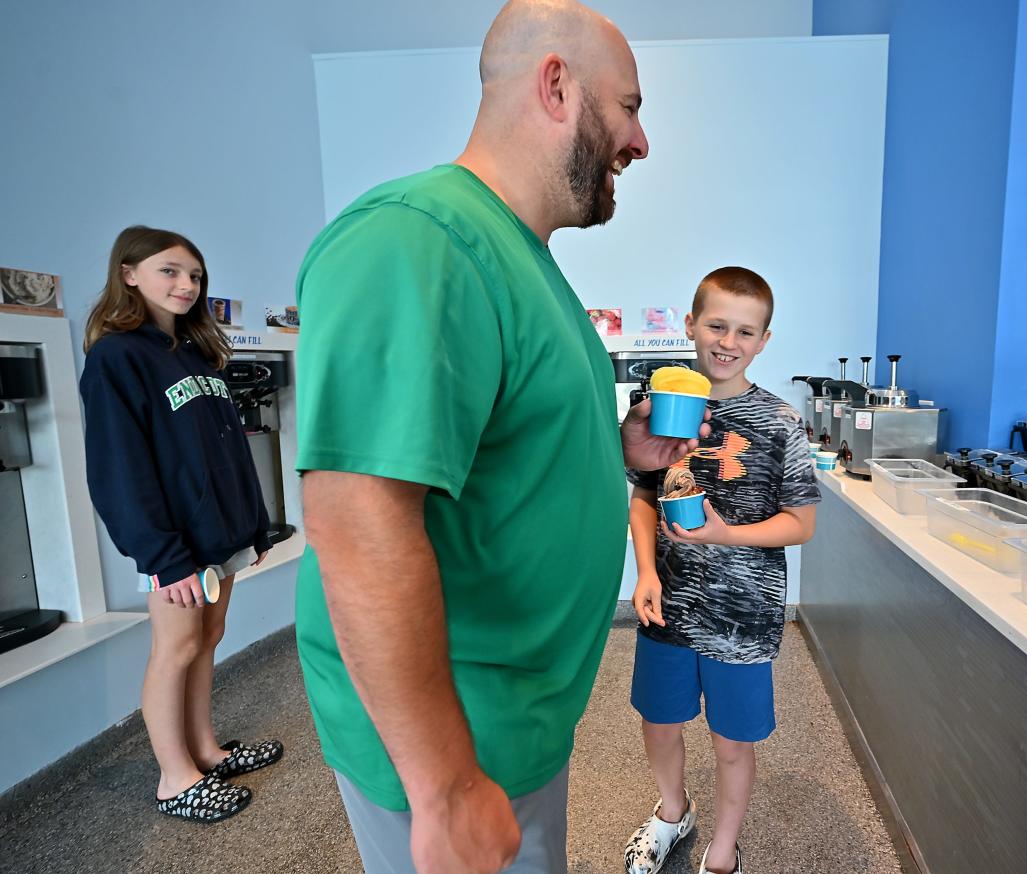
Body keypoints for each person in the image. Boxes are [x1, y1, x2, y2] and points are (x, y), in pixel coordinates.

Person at [293, 2, 705, 872]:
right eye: (629, 106)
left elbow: (503, 452)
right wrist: (444, 788)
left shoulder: (522, 259)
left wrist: (615, 457)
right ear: (557, 85)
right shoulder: (418, 239)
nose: (640, 142)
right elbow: (358, 526)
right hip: (455, 742)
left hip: (514, 724)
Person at [79, 226, 283, 822]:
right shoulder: (117, 357)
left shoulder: (196, 354)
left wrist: (253, 528)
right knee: (175, 649)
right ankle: (175, 778)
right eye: (169, 271)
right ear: (129, 274)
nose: (186, 285)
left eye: (194, 275)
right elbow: (120, 468)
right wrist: (163, 555)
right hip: (174, 547)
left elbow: (226, 450)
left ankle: (206, 751)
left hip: (221, 535)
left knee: (207, 640)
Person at [623, 267, 820, 874]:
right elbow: (642, 497)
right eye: (716, 324)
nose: (727, 341)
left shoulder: (781, 421)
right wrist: (646, 574)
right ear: (690, 325)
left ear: (763, 340)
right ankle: (672, 811)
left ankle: (724, 847)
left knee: (733, 742)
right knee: (660, 723)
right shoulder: (659, 412)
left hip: (745, 617)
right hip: (669, 609)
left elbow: (800, 523)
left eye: (744, 330)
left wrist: (724, 534)